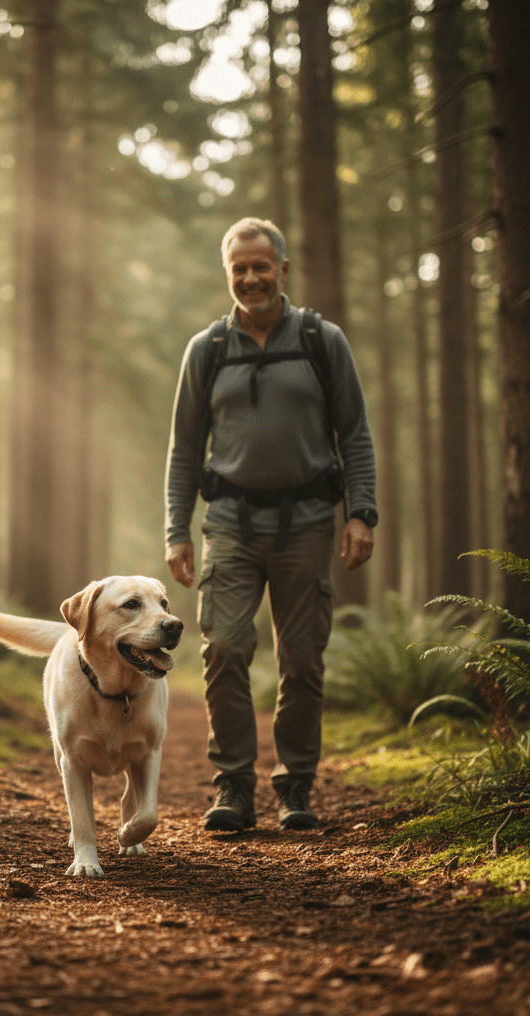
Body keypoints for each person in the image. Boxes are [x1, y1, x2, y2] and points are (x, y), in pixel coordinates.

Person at [164, 217, 377, 832]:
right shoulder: (207, 349)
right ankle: (233, 787)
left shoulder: (321, 340)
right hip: (229, 525)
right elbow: (184, 450)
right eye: (239, 268)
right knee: (225, 648)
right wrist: (177, 529)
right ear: (227, 273)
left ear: (283, 269)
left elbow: (355, 434)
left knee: (302, 661)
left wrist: (360, 513)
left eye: (261, 266)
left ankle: (295, 787)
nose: (251, 278)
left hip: (307, 524)